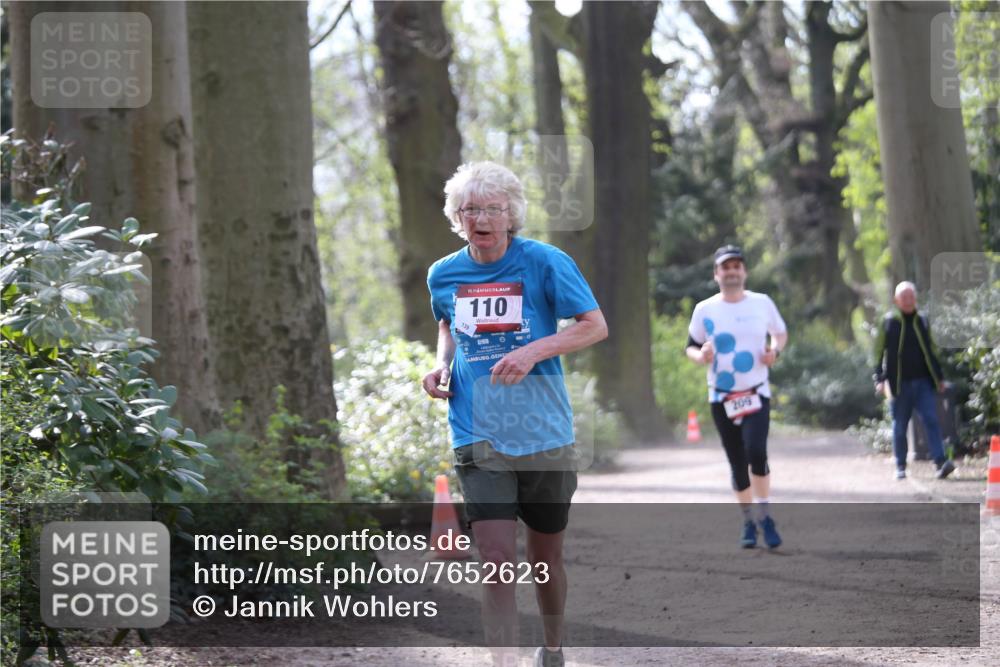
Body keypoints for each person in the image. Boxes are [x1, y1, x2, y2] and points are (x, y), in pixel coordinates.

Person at [422, 161, 607, 667]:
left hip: (544, 432)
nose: (480, 217)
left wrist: (532, 352)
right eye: (470, 209)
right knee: (497, 561)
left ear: (511, 214)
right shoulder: (443, 273)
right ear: (457, 218)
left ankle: (552, 648)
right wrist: (440, 367)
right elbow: (447, 326)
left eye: (492, 208)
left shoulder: (546, 262)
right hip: (477, 431)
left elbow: (593, 326)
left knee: (546, 559)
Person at [685, 245, 787, 549]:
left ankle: (765, 515)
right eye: (725, 267)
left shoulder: (761, 303)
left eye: (736, 266)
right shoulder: (705, 309)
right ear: (717, 274)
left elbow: (780, 333)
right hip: (722, 396)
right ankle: (747, 520)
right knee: (736, 462)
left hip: (756, 391)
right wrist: (700, 355)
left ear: (744, 272)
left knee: (757, 451)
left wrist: (775, 351)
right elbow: (690, 345)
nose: (731, 272)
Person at [873, 281, 956, 481]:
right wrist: (879, 378)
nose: (909, 301)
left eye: (911, 297)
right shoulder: (888, 322)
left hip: (923, 383)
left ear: (915, 299)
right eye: (904, 297)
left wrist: (939, 377)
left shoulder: (923, 321)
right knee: (899, 426)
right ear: (896, 300)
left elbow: (932, 351)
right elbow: (877, 353)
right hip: (898, 384)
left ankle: (940, 462)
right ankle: (900, 465)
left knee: (931, 420)